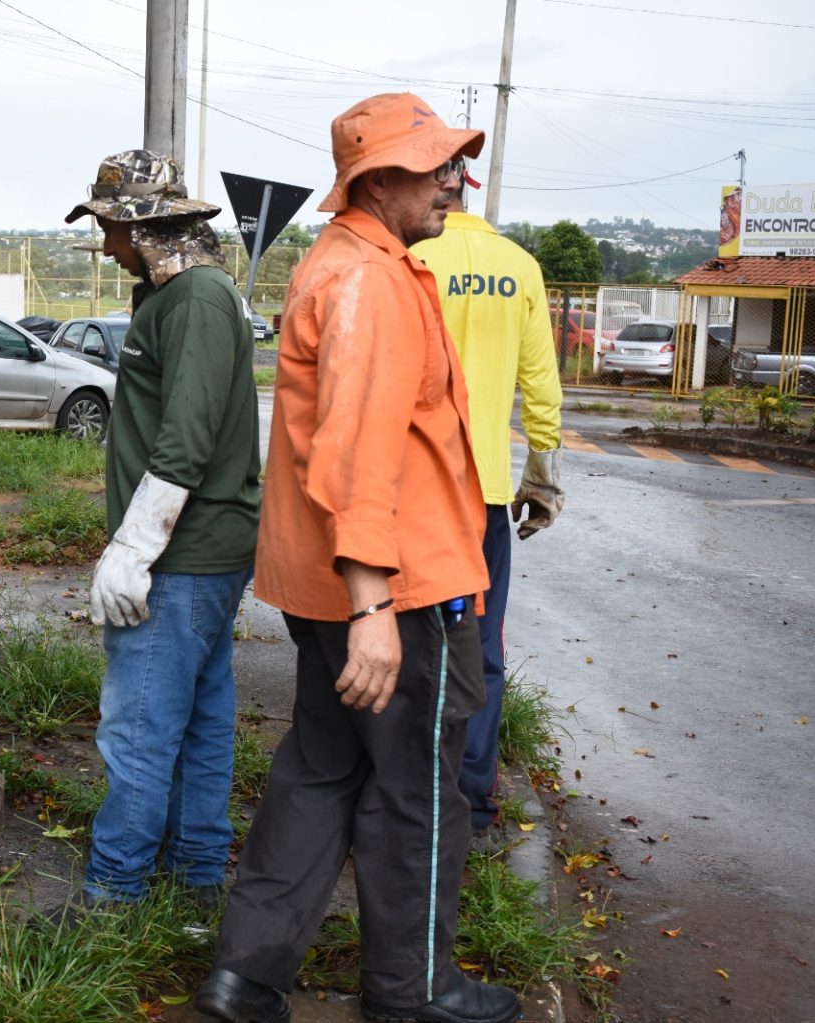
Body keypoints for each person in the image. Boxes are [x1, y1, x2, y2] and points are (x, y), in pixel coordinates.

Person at [193, 93, 520, 1023]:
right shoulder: (370, 282)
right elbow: (355, 452)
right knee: (417, 790)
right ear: (378, 180)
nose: (454, 180)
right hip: (393, 592)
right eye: (435, 165)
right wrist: (376, 606)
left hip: (339, 583)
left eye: (453, 162)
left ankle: (243, 978)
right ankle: (412, 990)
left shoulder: (345, 264)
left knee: (320, 769)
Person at [62, 150, 260, 906]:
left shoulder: (198, 301)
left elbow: (187, 438)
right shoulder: (171, 297)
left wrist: (134, 548)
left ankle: (114, 894)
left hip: (184, 556)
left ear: (141, 226)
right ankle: (197, 879)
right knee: (201, 720)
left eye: (110, 229)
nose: (107, 247)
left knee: (140, 727)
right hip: (201, 552)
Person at [411, 186, 564, 849]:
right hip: (489, 497)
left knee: (411, 641)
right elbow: (541, 381)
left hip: (417, 491)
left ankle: (409, 788)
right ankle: (470, 801)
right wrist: (542, 475)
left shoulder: (416, 255)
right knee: (484, 645)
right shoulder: (520, 265)